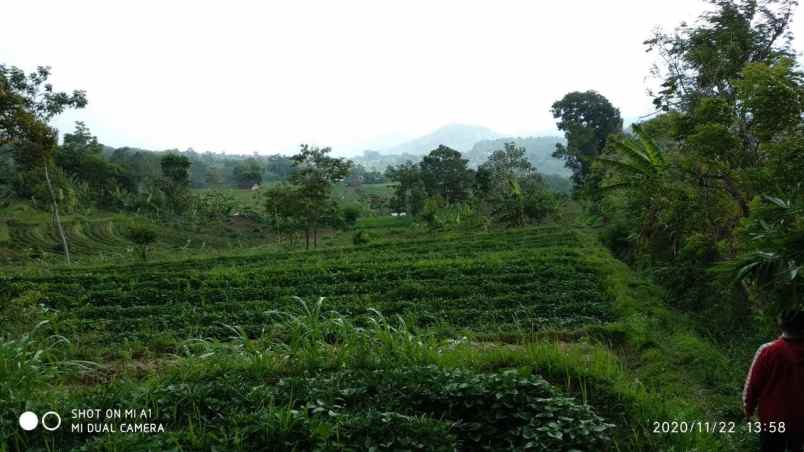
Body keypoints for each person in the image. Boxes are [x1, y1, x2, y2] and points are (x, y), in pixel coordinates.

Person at [744, 309, 804, 452]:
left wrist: (748, 409)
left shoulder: (768, 350)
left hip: (772, 420)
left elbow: (753, 385)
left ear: (781, 325)